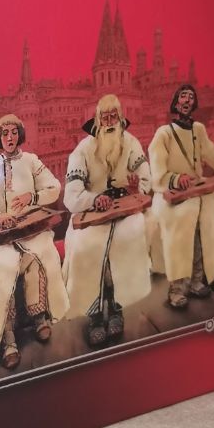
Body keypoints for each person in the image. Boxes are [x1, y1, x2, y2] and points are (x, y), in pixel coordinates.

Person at [0, 113, 69, 369]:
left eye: (14, 132)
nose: (10, 137)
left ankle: (39, 317)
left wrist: (32, 197)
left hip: (31, 230)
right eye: (5, 133)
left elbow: (54, 187)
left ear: (20, 135)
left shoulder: (31, 161)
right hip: (3, 238)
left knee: (39, 255)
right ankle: (8, 337)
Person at [62, 94, 152, 346]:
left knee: (130, 235)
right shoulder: (83, 149)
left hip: (123, 212)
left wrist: (136, 189)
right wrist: (94, 199)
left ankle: (115, 308)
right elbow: (71, 196)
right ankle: (94, 316)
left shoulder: (131, 143)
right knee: (85, 246)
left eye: (114, 116)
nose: (110, 122)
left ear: (121, 118)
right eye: (105, 117)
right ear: (97, 120)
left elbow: (146, 178)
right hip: (92, 214)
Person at [148, 84, 214, 309]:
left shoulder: (199, 130)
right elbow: (157, 175)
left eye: (191, 97)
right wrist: (177, 178)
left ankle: (198, 279)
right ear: (176, 103)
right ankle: (176, 288)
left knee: (209, 214)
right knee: (182, 221)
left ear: (194, 104)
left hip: (198, 193)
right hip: (170, 197)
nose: (187, 100)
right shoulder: (163, 134)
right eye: (183, 96)